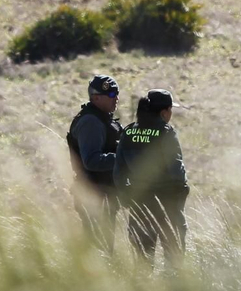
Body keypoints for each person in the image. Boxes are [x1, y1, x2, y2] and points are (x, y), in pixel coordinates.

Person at [114, 89, 189, 265]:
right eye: (170, 110)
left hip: (139, 202)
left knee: (142, 262)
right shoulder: (166, 132)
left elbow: (119, 171)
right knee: (174, 257)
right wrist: (182, 190)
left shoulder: (129, 132)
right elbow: (175, 167)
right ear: (164, 112)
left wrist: (125, 196)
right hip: (166, 202)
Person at [67, 74, 124, 251]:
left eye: (117, 94)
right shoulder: (91, 122)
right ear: (96, 97)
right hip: (95, 194)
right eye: (112, 95)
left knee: (103, 249)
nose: (116, 99)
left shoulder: (102, 118)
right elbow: (91, 161)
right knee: (100, 251)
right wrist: (123, 159)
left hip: (103, 193)